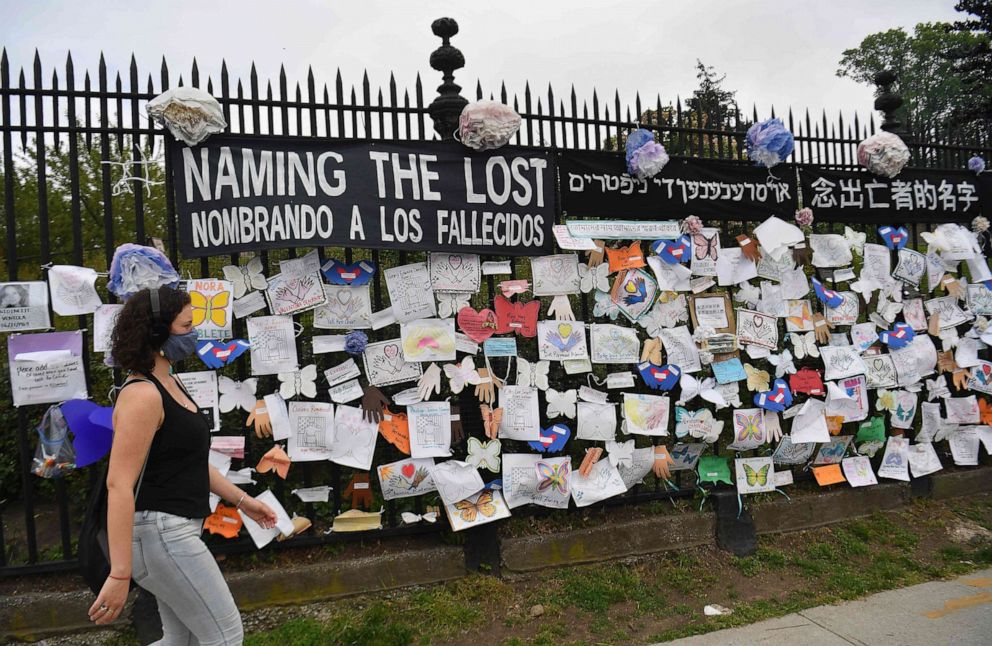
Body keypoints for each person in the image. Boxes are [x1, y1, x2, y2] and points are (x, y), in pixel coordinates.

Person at [89, 285, 276, 645]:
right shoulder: (142, 395)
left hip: (171, 532)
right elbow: (119, 485)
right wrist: (120, 573)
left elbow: (187, 463)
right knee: (225, 637)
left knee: (182, 640)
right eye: (187, 326)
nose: (194, 334)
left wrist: (244, 501)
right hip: (161, 534)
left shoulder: (168, 382)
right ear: (158, 332)